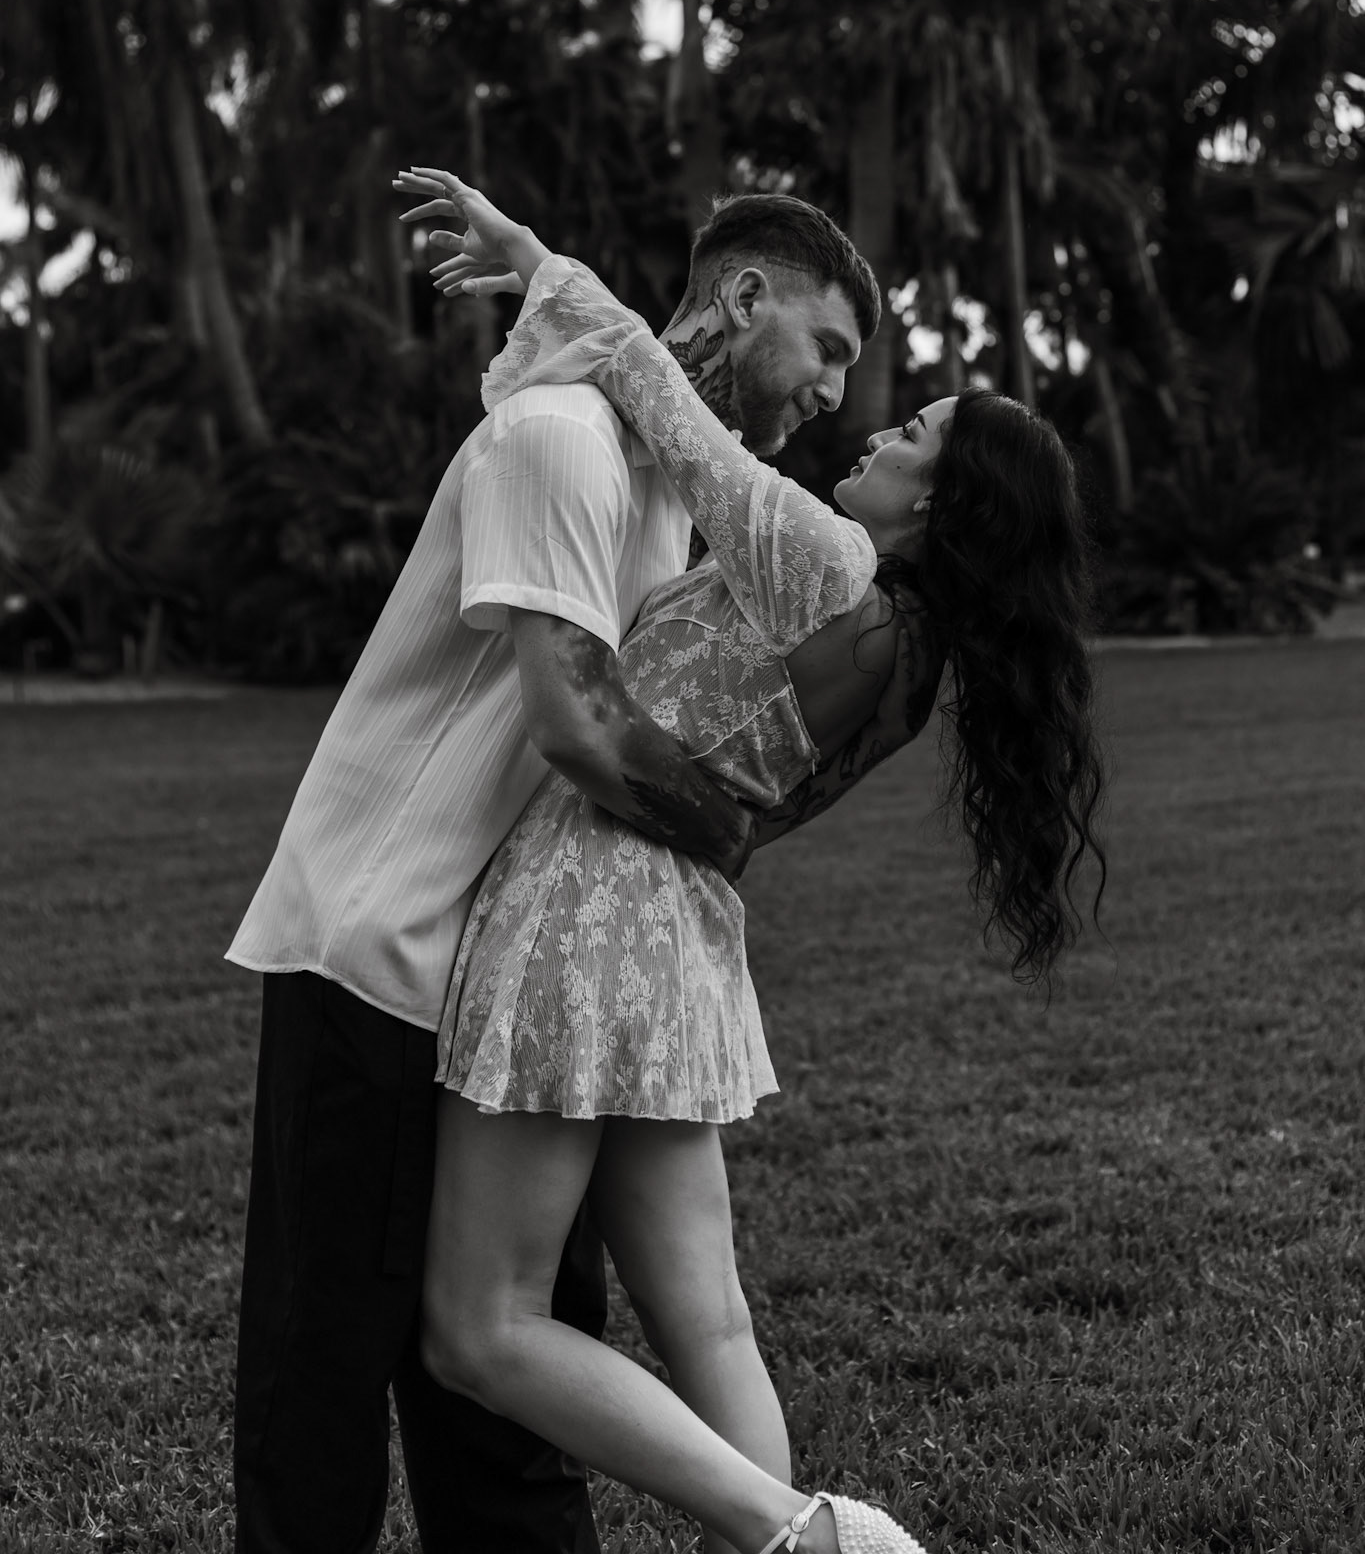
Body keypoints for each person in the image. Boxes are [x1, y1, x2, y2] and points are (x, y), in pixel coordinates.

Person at [405, 178, 1108, 1554]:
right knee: (710, 1322)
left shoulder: (829, 561)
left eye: (912, 433)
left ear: (939, 507)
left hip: (585, 912)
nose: (875, 426)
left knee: (479, 1327)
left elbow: (662, 399)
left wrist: (535, 259)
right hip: (678, 936)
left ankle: (808, 1534)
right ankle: (802, 1540)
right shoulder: (902, 654)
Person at [226, 188, 881, 1554]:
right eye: (826, 347)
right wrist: (726, 840)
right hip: (381, 947)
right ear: (745, 298)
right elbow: (574, 721)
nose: (833, 393)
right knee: (321, 1379)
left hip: (507, 974)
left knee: (506, 1404)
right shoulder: (560, 439)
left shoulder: (661, 473)